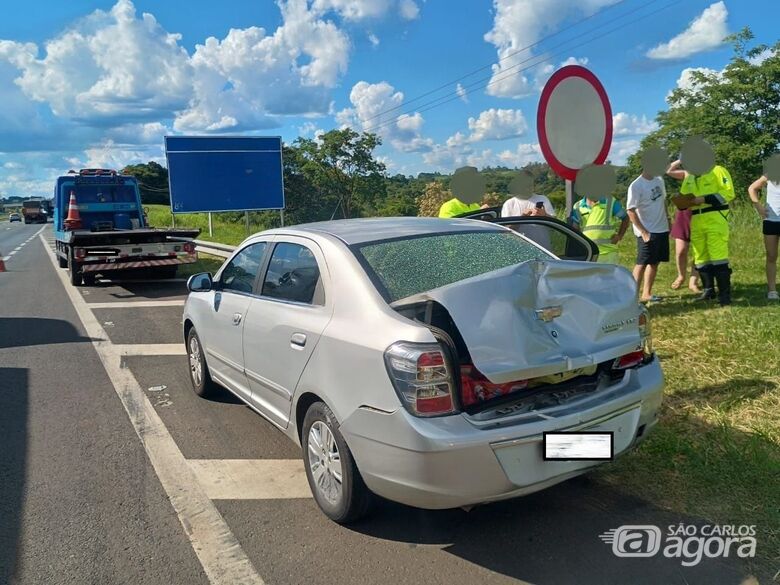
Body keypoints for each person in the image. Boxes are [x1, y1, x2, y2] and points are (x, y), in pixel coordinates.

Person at [667, 137, 736, 306]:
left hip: (715, 217)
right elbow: (685, 196)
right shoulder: (690, 176)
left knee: (718, 256)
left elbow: (728, 193)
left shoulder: (718, 170)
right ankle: (708, 290)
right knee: (701, 257)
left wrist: (703, 198)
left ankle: (724, 296)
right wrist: (682, 202)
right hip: (696, 219)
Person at [627, 147, 670, 302]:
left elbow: (663, 201)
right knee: (642, 263)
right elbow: (630, 211)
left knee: (655, 262)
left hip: (661, 228)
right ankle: (631, 298)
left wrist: (668, 219)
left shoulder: (659, 180)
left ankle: (647, 293)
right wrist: (644, 232)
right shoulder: (636, 185)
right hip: (647, 231)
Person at [569, 164, 629, 264]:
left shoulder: (610, 202)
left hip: (608, 254)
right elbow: (575, 230)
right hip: (589, 254)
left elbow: (625, 218)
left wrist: (620, 235)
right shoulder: (577, 207)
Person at [747, 154, 780, 300]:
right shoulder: (770, 175)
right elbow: (752, 188)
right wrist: (758, 207)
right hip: (771, 220)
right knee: (771, 255)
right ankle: (772, 290)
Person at [668, 207, 702, 293]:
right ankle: (681, 276)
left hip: (702, 214)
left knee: (700, 252)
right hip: (684, 214)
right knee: (681, 251)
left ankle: (693, 281)